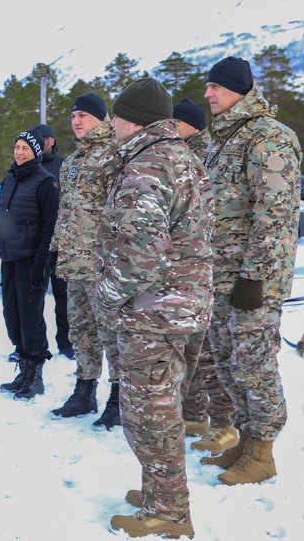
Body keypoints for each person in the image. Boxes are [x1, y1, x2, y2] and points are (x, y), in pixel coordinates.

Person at [94, 77, 213, 538]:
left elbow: (140, 254)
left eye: (115, 116)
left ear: (131, 119)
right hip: (176, 308)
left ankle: (170, 511)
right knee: (161, 405)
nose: (112, 124)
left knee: (150, 413)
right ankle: (159, 491)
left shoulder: (147, 167)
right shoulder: (179, 156)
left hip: (153, 312)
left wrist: (106, 296)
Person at [201, 56, 301, 485]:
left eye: (216, 87)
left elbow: (274, 216)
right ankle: (245, 440)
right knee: (226, 363)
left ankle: (263, 452)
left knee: (254, 365)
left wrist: (254, 278)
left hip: (252, 281)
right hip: (220, 278)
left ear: (240, 89)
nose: (207, 94)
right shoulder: (223, 139)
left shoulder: (268, 138)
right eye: (207, 87)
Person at [48, 94, 124, 429]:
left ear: (101, 118)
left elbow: (122, 213)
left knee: (112, 334)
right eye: (73, 116)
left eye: (83, 115)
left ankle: (120, 398)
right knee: (81, 331)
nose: (76, 121)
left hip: (103, 266)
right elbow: (66, 212)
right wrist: (56, 248)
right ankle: (85, 390)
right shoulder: (72, 162)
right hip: (73, 263)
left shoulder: (115, 156)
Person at [172, 99, 236, 446]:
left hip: (210, 269)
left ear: (194, 126)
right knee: (190, 349)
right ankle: (194, 415)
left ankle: (224, 422)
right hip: (189, 269)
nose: (170, 129)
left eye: (176, 123)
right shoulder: (181, 155)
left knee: (211, 353)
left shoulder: (203, 157)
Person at [0, 129, 59, 400]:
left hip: (31, 261)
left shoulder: (45, 182)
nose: (19, 152)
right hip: (9, 259)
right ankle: (23, 370)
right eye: (17, 146)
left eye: (25, 148)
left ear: (36, 152)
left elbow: (51, 226)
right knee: (12, 316)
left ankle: (35, 376)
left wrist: (42, 263)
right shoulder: (10, 178)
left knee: (30, 318)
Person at [31, 124, 73, 360]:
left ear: (52, 141)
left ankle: (66, 342)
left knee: (63, 296)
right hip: (36, 244)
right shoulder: (28, 167)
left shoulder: (64, 166)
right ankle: (35, 344)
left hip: (62, 243)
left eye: (43, 138)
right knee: (33, 297)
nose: (39, 142)